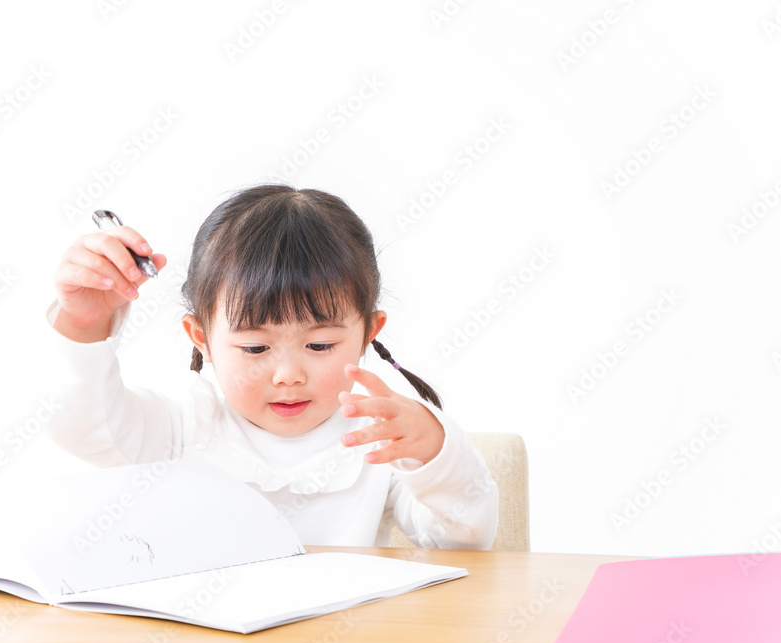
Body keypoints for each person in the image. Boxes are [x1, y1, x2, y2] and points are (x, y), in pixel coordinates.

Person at [44, 184, 497, 548]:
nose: (289, 375)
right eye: (256, 348)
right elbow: (84, 428)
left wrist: (437, 451)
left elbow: (462, 541)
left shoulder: (379, 437)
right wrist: (83, 324)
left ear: (367, 334)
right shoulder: (183, 423)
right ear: (201, 337)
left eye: (319, 345)